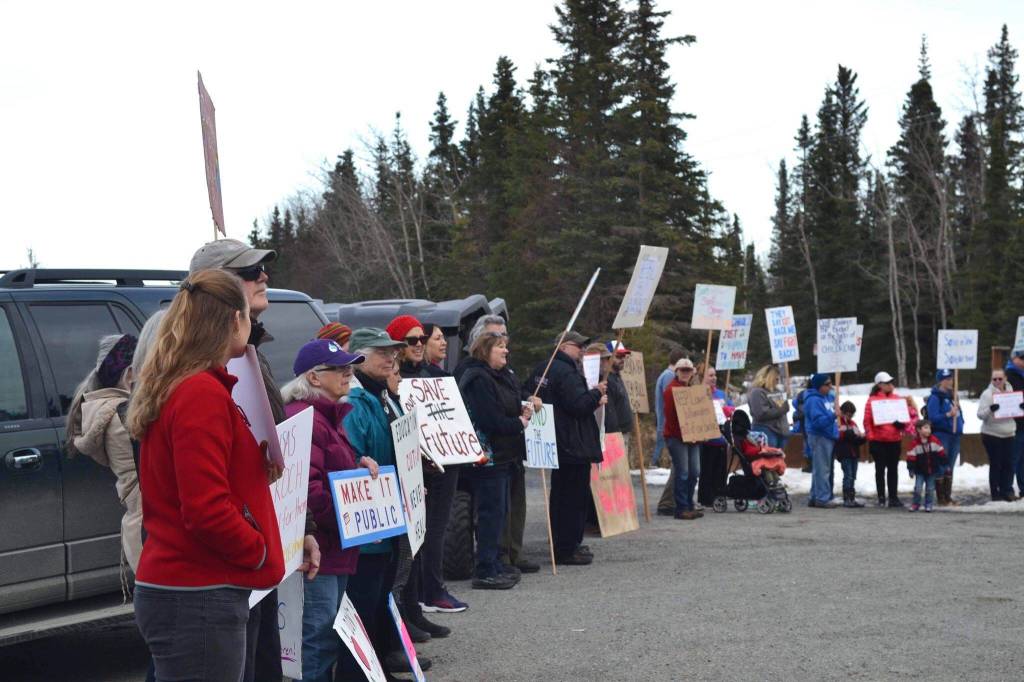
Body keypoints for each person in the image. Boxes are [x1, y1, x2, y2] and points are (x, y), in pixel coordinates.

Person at [127, 270, 285, 682]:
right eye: (249, 314)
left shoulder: (186, 386)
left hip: (187, 589)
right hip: (197, 592)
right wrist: (259, 551)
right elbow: (205, 509)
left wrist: (254, 470)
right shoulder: (201, 392)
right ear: (235, 319)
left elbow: (198, 485)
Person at [189, 238, 318, 682]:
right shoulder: (192, 377)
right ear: (215, 289)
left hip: (257, 556)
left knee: (265, 667)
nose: (264, 277)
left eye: (262, 269)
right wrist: (260, 548)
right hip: (217, 569)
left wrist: (300, 531)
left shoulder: (250, 353)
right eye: (249, 272)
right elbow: (203, 495)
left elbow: (277, 456)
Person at [280, 339, 381, 682]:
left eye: (348, 366)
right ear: (313, 377)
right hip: (320, 552)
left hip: (334, 548)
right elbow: (307, 490)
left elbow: (326, 471)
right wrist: (349, 517)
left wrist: (357, 462)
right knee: (318, 640)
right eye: (338, 368)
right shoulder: (307, 419)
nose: (347, 373)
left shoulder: (326, 418)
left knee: (325, 637)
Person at [336, 327, 429, 678]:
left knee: (377, 602)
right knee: (362, 606)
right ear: (358, 356)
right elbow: (354, 459)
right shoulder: (358, 404)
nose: (391, 357)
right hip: (369, 530)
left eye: (393, 351)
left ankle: (374, 669)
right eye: (381, 352)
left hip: (387, 523)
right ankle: (359, 673)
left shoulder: (380, 398)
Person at [385, 315, 453, 639]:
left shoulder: (431, 376)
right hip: (409, 472)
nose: (418, 345)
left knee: (424, 541)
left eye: (421, 340)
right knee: (406, 550)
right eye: (411, 340)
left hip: (436, 469)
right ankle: (405, 614)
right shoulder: (392, 380)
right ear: (398, 345)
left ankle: (416, 610)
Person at [459, 330, 534, 588]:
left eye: (506, 346)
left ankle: (494, 563)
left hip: (505, 456)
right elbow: (489, 419)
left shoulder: (502, 377)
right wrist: (518, 423)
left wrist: (521, 410)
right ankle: (484, 569)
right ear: (485, 350)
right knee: (490, 513)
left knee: (500, 512)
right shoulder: (479, 379)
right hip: (488, 457)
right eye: (500, 346)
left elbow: (506, 409)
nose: (506, 351)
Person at [66, 334, 141, 589]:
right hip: (148, 523)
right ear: (130, 372)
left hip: (136, 520)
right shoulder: (123, 413)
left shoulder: (100, 409)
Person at [526, 331, 605, 565]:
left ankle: (561, 542)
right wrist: (596, 393)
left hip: (554, 441)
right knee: (573, 498)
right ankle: (568, 547)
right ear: (562, 347)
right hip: (572, 443)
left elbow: (526, 391)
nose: (581, 350)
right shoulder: (566, 372)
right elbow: (578, 405)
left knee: (559, 495)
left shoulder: (542, 368)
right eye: (578, 346)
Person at [863, 371, 917, 508]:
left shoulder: (897, 399)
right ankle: (881, 497)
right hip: (878, 441)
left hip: (894, 440)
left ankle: (893, 497)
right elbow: (867, 421)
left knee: (893, 469)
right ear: (880, 385)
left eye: (891, 382)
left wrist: (902, 424)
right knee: (880, 470)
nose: (891, 385)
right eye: (887, 383)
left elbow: (906, 418)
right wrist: (871, 438)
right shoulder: (872, 400)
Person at [661, 358, 703, 520]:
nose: (686, 373)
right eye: (682, 370)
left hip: (692, 437)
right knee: (683, 472)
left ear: (692, 373)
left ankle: (689, 504)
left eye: (688, 370)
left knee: (694, 472)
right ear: (677, 372)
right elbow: (672, 419)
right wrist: (689, 434)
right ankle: (681, 507)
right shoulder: (671, 390)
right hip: (677, 437)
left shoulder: (693, 390)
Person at [977, 369, 1017, 502]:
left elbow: (1015, 410)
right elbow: (980, 415)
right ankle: (995, 493)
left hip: (1009, 433)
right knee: (996, 464)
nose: (997, 382)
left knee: (1009, 464)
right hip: (992, 434)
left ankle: (1007, 490)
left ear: (1005, 378)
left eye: (1000, 379)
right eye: (994, 379)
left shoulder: (1012, 392)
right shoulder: (987, 394)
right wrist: (990, 409)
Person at [926, 369, 964, 507]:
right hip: (942, 435)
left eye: (951, 378)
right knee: (942, 465)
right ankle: (941, 497)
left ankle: (947, 496)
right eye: (946, 379)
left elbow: (959, 413)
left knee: (950, 466)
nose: (950, 381)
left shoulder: (953, 396)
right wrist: (948, 415)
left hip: (955, 436)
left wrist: (961, 423)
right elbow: (932, 418)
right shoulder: (935, 397)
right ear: (940, 380)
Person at [696, 363, 731, 508]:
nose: (714, 378)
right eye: (710, 375)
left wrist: (729, 410)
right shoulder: (698, 392)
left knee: (720, 471)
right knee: (707, 471)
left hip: (721, 439)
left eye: (715, 375)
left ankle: (719, 496)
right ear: (702, 377)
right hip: (706, 440)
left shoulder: (721, 394)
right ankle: (705, 498)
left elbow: (730, 409)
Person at [804, 373, 839, 508]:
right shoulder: (814, 400)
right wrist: (833, 416)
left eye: (831, 383)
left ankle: (815, 496)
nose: (830, 386)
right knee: (822, 469)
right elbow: (818, 422)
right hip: (819, 436)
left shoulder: (827, 397)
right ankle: (822, 498)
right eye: (827, 384)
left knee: (819, 468)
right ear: (819, 386)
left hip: (827, 436)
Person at [651, 349, 685, 468]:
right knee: (661, 446)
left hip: (663, 418)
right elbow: (670, 398)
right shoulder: (669, 376)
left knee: (661, 445)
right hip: (665, 420)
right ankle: (654, 465)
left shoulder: (666, 374)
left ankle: (655, 464)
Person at [906, 419, 946, 512]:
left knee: (930, 488)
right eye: (926, 428)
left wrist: (944, 465)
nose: (928, 430)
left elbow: (941, 452)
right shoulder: (914, 443)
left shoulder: (935, 441)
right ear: (919, 430)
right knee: (918, 488)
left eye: (929, 428)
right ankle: (916, 503)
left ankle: (928, 504)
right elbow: (910, 458)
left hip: (932, 470)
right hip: (919, 471)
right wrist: (911, 469)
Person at [747, 365, 791, 449]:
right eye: (776, 379)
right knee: (769, 461)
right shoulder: (757, 392)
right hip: (766, 431)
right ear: (769, 378)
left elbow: (785, 408)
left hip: (781, 432)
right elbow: (761, 413)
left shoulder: (777, 391)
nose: (778, 382)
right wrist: (781, 409)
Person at [834, 401, 866, 508]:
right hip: (845, 453)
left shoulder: (853, 424)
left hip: (854, 454)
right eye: (848, 414)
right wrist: (850, 434)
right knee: (848, 475)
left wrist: (862, 438)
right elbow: (840, 437)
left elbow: (856, 438)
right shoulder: (839, 423)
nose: (850, 416)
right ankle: (847, 498)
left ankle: (852, 497)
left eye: (852, 414)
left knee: (853, 476)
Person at [1002, 349, 1024, 496]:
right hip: (1014, 424)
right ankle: (1007, 489)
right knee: (1013, 458)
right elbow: (1005, 398)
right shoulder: (1008, 375)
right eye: (1021, 358)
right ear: (1014, 358)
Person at [603, 341, 634, 441]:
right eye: (618, 356)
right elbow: (609, 411)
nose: (622, 359)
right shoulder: (606, 380)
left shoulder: (617, 377)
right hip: (616, 435)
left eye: (623, 356)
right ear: (608, 357)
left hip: (624, 432)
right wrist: (615, 436)